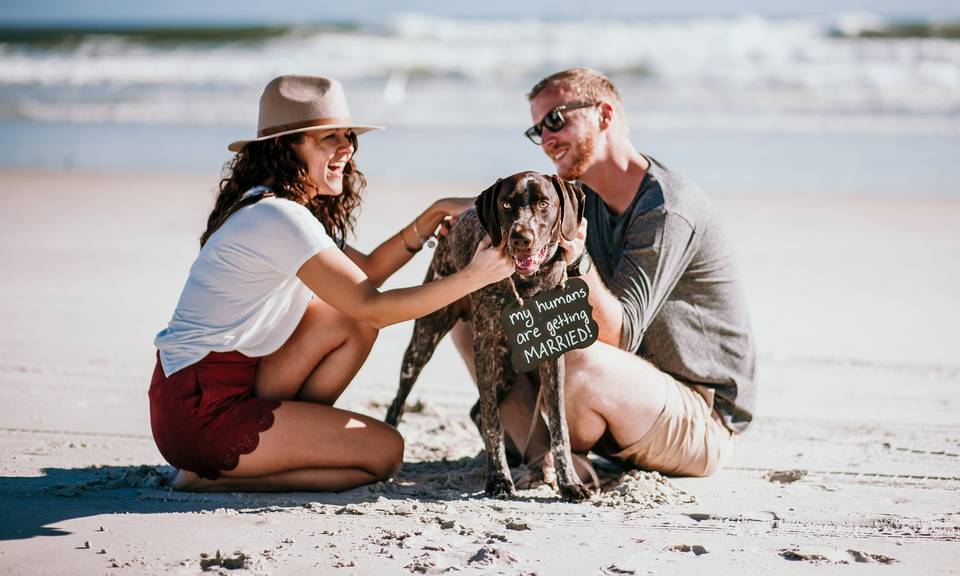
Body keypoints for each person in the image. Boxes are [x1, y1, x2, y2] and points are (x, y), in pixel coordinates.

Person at [150, 74, 513, 492]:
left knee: (349, 322)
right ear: (286, 148)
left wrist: (431, 216)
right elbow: (373, 304)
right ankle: (212, 478)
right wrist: (475, 277)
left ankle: (270, 448)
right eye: (329, 138)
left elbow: (366, 274)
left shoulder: (271, 204)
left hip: (197, 392)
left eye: (348, 136)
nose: (348, 148)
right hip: (204, 412)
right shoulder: (280, 217)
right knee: (385, 454)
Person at [453, 68, 755, 480]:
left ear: (605, 115)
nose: (546, 140)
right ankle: (545, 452)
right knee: (471, 318)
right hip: (620, 397)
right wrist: (465, 224)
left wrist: (578, 260)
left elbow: (619, 334)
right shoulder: (580, 199)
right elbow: (524, 215)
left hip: (697, 416)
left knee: (575, 355)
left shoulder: (667, 209)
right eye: (536, 130)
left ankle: (539, 447)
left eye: (555, 120)